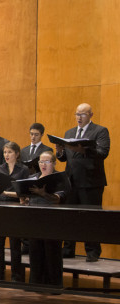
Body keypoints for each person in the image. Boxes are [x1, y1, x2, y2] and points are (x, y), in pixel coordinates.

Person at [55, 102, 111, 262]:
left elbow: (103, 152)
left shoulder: (100, 131)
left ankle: (93, 252)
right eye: (77, 114)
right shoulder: (70, 132)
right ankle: (68, 249)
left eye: (83, 114)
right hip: (71, 181)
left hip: (91, 182)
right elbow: (65, 158)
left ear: (91, 115)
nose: (79, 117)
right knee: (70, 217)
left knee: (90, 218)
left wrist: (84, 150)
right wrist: (60, 152)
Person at [26, 151, 68, 286]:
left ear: (54, 163)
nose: (43, 165)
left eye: (47, 162)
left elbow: (57, 199)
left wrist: (43, 194)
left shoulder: (60, 179)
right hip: (34, 220)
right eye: (41, 162)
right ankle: (35, 283)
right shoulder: (33, 178)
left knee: (52, 253)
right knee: (35, 252)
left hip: (52, 221)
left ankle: (53, 285)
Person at [0, 141, 30, 281]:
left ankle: (16, 274)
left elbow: (24, 193)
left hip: (16, 207)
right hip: (1, 207)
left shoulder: (23, 169)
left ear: (17, 153)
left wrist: (8, 193)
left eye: (9, 152)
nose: (6, 155)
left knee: (15, 243)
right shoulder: (0, 168)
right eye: (5, 152)